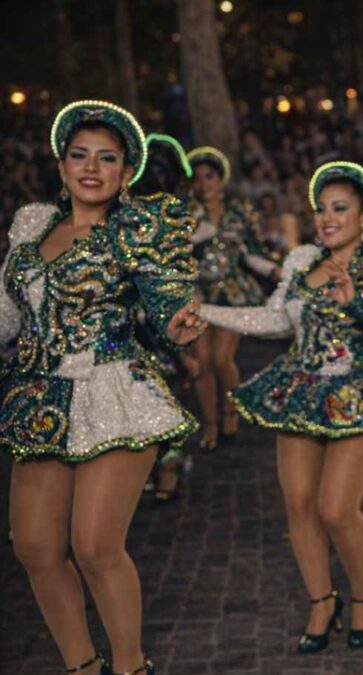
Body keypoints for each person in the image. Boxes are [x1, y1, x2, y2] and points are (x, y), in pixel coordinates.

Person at [200, 161, 363, 652]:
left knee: (336, 509)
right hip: (301, 388)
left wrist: (356, 300)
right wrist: (205, 312)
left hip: (362, 390)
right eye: (320, 210)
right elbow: (275, 322)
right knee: (297, 504)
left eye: (339, 209)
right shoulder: (300, 264)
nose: (327, 218)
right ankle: (321, 601)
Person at [2, 100, 206, 675]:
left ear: (125, 173)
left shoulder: (137, 229)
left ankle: (130, 667)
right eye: (79, 155)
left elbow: (169, 304)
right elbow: (6, 318)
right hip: (37, 397)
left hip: (116, 392)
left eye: (107, 158)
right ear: (62, 165)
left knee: (93, 547)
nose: (91, 167)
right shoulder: (31, 227)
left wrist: (179, 324)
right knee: (35, 548)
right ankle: (82, 667)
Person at [186, 146, 280, 451]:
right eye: (198, 178)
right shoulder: (184, 213)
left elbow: (252, 251)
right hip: (196, 292)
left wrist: (274, 269)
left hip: (231, 292)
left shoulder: (240, 213)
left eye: (209, 176)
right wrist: (197, 232)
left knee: (221, 359)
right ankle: (210, 425)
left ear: (221, 179)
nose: (204, 184)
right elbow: (173, 253)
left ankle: (230, 414)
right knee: (202, 362)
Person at [129, 132, 199, 504]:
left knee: (164, 391)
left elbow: (178, 280)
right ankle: (153, 466)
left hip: (163, 314)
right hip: (130, 321)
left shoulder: (174, 216)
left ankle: (169, 465)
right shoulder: (119, 216)